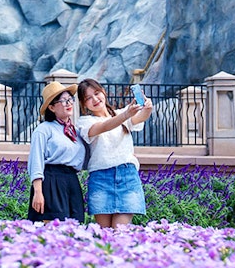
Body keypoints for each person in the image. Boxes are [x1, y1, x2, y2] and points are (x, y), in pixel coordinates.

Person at [76, 78, 153, 228]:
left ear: (103, 92)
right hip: (101, 178)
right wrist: (125, 115)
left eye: (97, 93)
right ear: (84, 104)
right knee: (104, 233)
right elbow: (104, 126)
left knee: (120, 232)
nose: (95, 99)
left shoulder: (121, 113)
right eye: (88, 98)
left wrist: (147, 108)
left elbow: (140, 118)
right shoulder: (85, 122)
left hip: (127, 176)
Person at [27, 81, 87, 222]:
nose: (68, 103)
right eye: (63, 101)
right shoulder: (44, 129)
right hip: (51, 180)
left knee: (75, 225)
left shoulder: (75, 131)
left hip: (72, 180)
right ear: (52, 107)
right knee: (54, 226)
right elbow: (36, 160)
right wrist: (38, 192)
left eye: (70, 99)